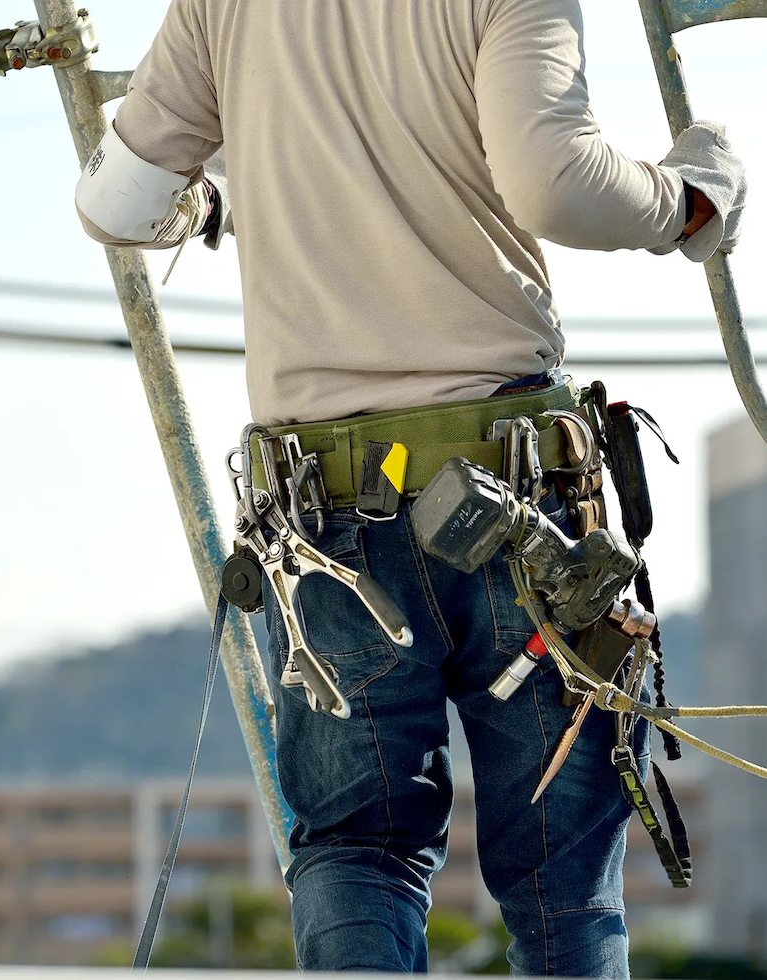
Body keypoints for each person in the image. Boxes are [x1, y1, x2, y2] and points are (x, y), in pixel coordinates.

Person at [72, 1, 746, 975]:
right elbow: (554, 184)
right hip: (516, 495)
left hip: (325, 517)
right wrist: (689, 196)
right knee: (562, 881)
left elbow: (117, 204)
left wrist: (219, 199)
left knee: (359, 852)